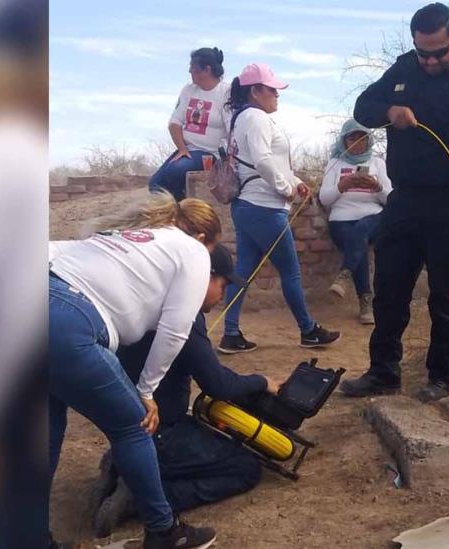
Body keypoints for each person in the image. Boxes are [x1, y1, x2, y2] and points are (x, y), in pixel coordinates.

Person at [340, 2, 449, 402]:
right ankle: (383, 372)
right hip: (404, 201)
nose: (431, 60)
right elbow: (362, 107)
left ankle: (440, 377)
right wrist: (390, 109)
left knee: (445, 296)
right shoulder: (403, 69)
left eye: (439, 52)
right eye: (424, 52)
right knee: (389, 290)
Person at [48, 191, 222, 549]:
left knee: (46, 432)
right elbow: (176, 329)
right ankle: (164, 532)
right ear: (203, 238)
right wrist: (146, 390)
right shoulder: (191, 250)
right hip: (69, 324)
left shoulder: (123, 234)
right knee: (133, 425)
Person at [91, 245, 280, 537]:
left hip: (131, 424)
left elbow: (210, 373)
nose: (222, 295)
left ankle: (122, 464)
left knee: (204, 436)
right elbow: (218, 385)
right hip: (162, 429)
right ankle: (143, 498)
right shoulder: (183, 317)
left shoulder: (151, 300)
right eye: (222, 284)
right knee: (245, 468)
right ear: (203, 276)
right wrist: (263, 382)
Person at [217, 63, 341, 354]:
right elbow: (262, 161)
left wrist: (294, 180)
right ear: (255, 91)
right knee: (291, 272)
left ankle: (231, 333)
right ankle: (308, 330)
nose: (277, 94)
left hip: (247, 204)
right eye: (272, 89)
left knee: (243, 271)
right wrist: (286, 189)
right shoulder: (257, 118)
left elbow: (266, 163)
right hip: (264, 206)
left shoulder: (241, 119)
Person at [318, 119, 392, 324]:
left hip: (374, 217)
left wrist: (376, 186)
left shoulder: (377, 163)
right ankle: (365, 303)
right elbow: (324, 199)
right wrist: (344, 185)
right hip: (341, 219)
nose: (357, 142)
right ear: (344, 140)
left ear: (368, 141)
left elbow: (390, 199)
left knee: (361, 228)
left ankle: (345, 274)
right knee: (355, 238)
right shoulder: (335, 163)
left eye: (362, 138)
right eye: (353, 137)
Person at [149, 47, 231, 200]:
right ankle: (175, 208)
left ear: (207, 70)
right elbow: (174, 123)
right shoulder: (189, 90)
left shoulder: (226, 93)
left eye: (193, 68)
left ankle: (182, 209)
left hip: (210, 152)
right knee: (155, 184)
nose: (189, 71)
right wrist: (182, 148)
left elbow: (232, 129)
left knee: (175, 171)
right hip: (188, 149)